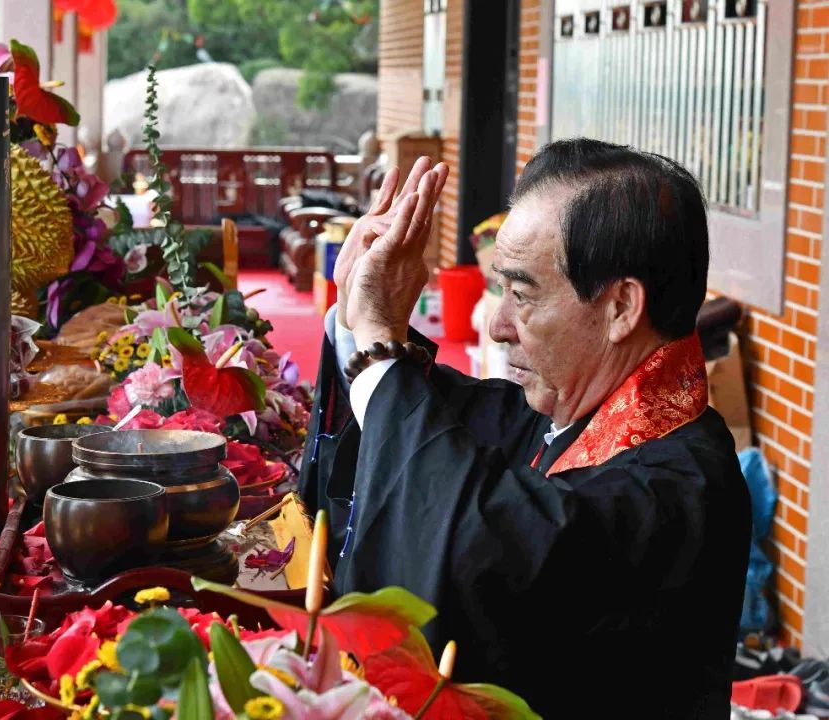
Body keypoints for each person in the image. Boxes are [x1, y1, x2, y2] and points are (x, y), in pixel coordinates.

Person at [299, 139, 751, 719]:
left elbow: (477, 542)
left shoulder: (680, 486)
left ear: (620, 308)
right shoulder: (570, 410)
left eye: (520, 293)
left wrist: (381, 350)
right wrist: (355, 318)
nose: (497, 325)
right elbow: (449, 431)